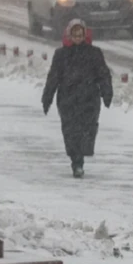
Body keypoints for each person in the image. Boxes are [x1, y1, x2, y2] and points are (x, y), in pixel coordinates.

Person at [42, 19, 113, 178]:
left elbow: (103, 74)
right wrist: (47, 97)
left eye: (80, 35)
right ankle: (76, 161)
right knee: (71, 132)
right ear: (69, 35)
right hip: (68, 100)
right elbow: (53, 77)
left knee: (87, 130)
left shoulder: (94, 54)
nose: (78, 38)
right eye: (75, 35)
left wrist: (106, 92)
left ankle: (81, 156)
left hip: (89, 99)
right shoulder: (61, 55)